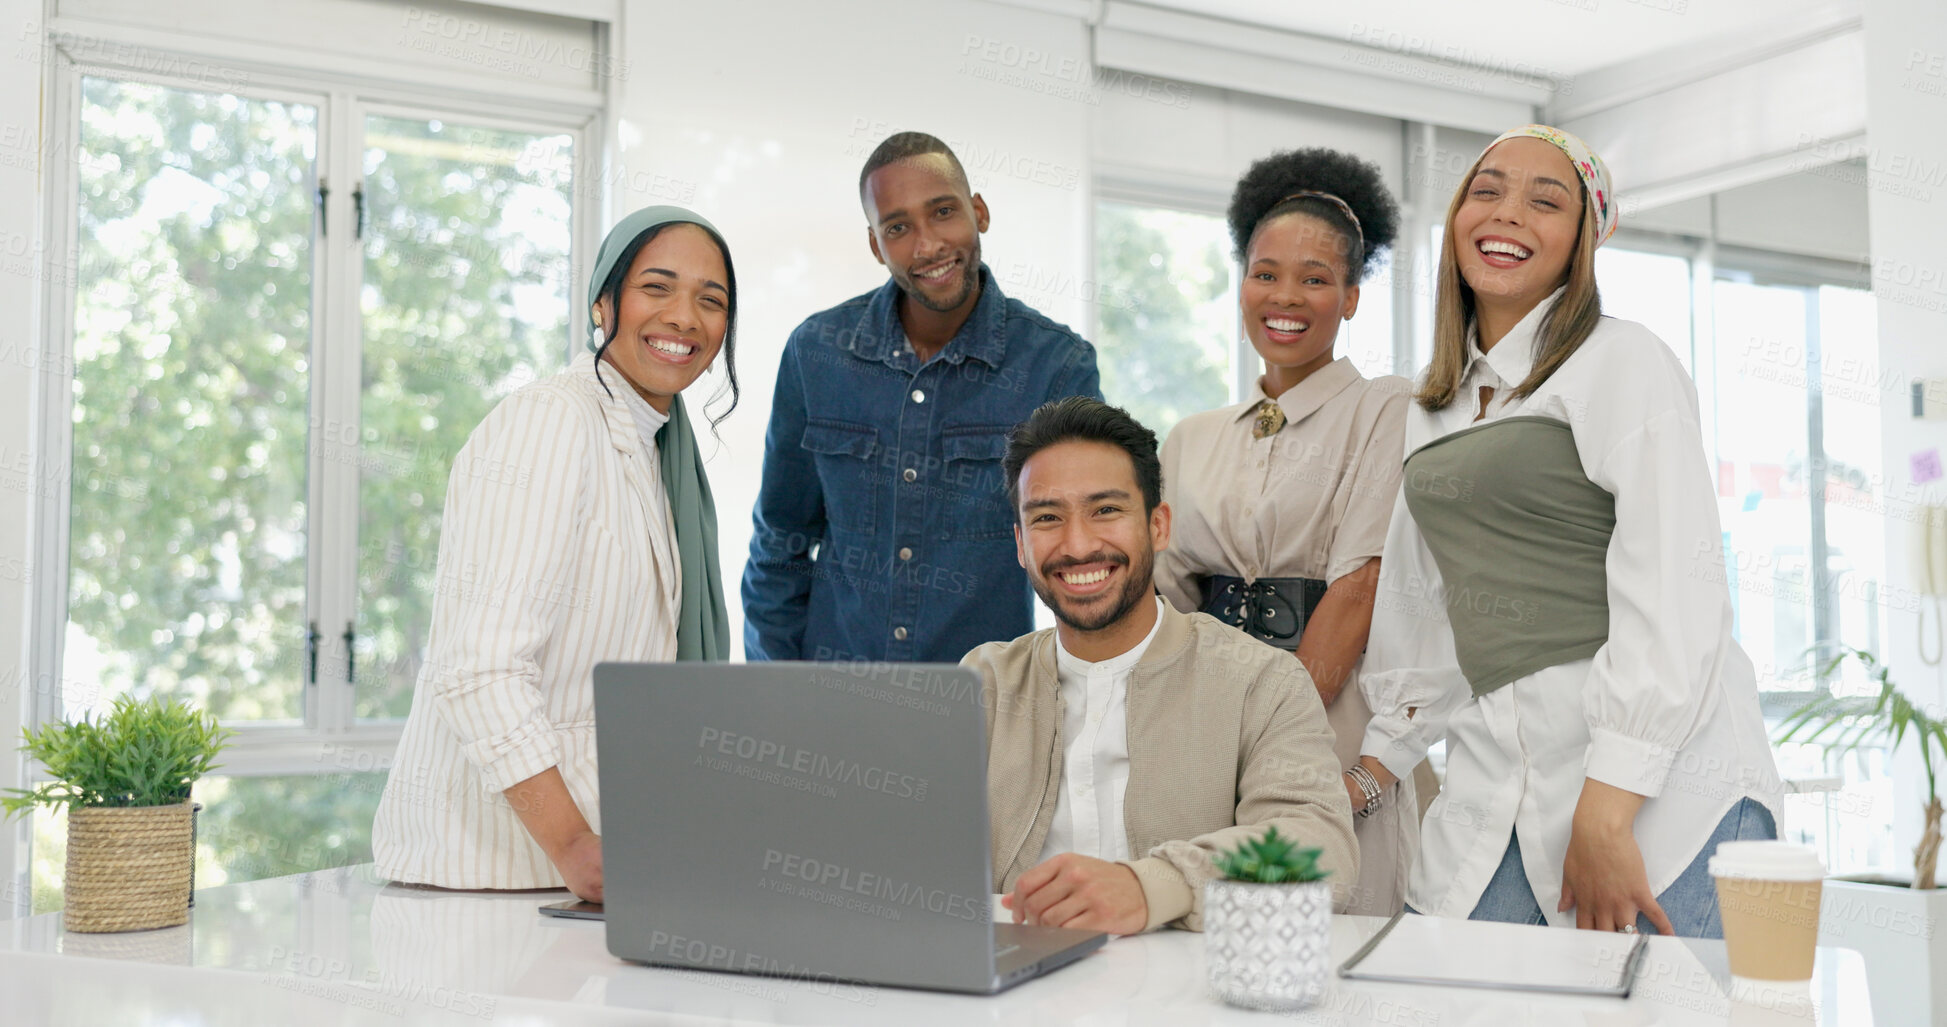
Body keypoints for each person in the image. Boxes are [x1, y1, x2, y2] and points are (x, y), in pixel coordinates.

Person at [1353, 126, 1782, 938]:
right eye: (1486, 190)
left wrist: (1609, 804)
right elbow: (1428, 607)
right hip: (1491, 784)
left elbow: (1675, 588)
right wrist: (1372, 768)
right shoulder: (1432, 404)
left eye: (1545, 200)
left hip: (1662, 796)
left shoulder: (1622, 361)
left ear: (1583, 239)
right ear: (1453, 219)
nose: (1506, 213)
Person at [373, 207, 738, 902]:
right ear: (604, 302)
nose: (685, 316)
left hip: (582, 882)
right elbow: (477, 667)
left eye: (710, 299)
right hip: (488, 879)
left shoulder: (659, 454)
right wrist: (574, 845)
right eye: (656, 287)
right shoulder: (551, 421)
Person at [967, 396, 1358, 935]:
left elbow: (1322, 850)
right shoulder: (982, 680)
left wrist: (1154, 886)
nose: (1078, 544)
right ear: (1020, 544)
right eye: (1048, 518)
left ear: (1158, 527)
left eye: (1106, 510)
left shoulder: (1259, 680)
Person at [1155, 148, 1415, 917]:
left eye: (1315, 278)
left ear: (1351, 297)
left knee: (1328, 936)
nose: (1284, 296)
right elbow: (1161, 606)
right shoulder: (1190, 438)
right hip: (1199, 723)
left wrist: (1272, 745)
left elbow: (1359, 588)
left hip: (1323, 722)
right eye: (1265, 272)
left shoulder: (1385, 409)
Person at [742, 131, 1101, 665]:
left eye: (943, 212)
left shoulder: (1055, 366)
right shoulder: (816, 353)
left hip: (984, 707)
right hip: (832, 702)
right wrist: (778, 692)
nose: (928, 245)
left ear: (978, 211)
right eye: (898, 227)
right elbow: (781, 543)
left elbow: (1079, 555)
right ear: (875, 245)